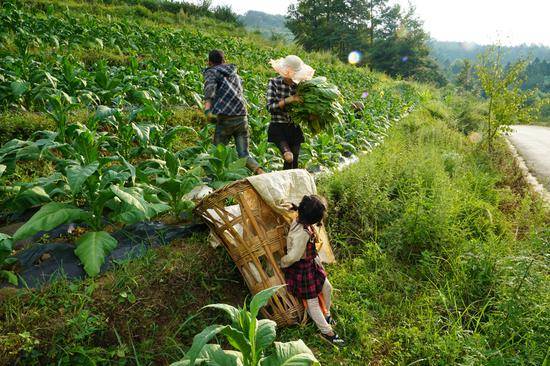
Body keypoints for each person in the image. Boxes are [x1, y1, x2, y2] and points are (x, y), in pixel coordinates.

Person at [280, 195, 345, 347]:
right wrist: (283, 263)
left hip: (310, 262)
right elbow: (294, 256)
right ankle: (327, 332)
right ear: (312, 219)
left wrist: (295, 206)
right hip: (301, 268)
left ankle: (326, 313)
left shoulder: (302, 218)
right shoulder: (302, 233)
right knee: (312, 302)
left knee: (327, 287)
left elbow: (297, 208)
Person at [203, 49, 263, 174]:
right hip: (242, 115)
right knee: (244, 154)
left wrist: (208, 110)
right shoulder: (234, 73)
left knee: (217, 153)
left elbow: (210, 90)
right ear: (224, 60)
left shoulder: (212, 72)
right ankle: (261, 173)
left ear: (209, 62)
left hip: (226, 117)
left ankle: (213, 182)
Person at [266, 55, 314, 170]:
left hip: (294, 127)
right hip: (278, 126)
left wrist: (310, 115)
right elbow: (270, 107)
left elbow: (304, 108)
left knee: (294, 159)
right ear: (286, 72)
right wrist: (289, 100)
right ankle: (286, 184)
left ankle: (290, 186)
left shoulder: (299, 86)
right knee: (288, 156)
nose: (294, 77)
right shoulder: (274, 83)